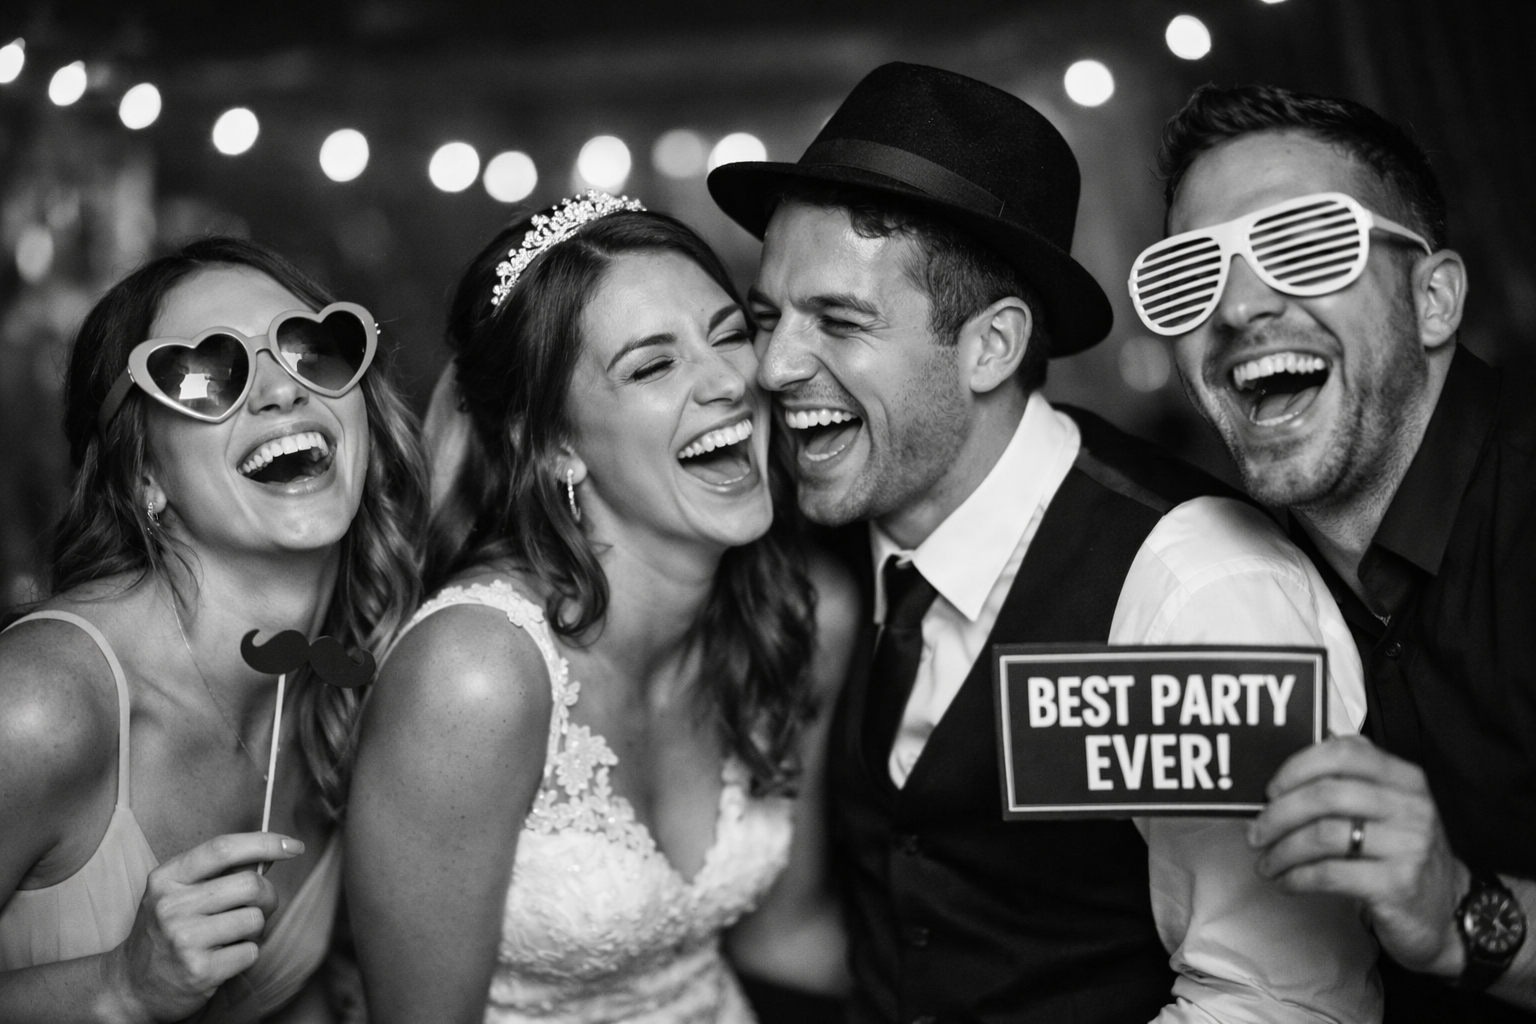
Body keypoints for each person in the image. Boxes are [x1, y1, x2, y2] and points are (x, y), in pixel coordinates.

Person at [708, 62, 1381, 1024]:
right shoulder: (818, 551)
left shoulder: (1194, 587)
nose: (772, 367)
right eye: (768, 317)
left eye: (840, 321)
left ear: (991, 345)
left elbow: (1281, 1004)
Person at [345, 194, 857, 1023]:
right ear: (550, 443)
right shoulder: (473, 676)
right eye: (653, 366)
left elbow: (786, 937)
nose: (732, 380)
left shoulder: (804, 616)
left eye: (730, 335)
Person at [1144, 83, 1536, 1023]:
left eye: (1306, 244)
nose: (1237, 305)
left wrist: (1457, 915)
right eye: (1186, 275)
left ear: (1432, 297)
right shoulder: (1221, 566)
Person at [0, 237, 426, 1021]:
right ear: (143, 476)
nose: (279, 394)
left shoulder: (340, 684)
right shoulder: (39, 705)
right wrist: (118, 988)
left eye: (310, 351)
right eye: (208, 377)